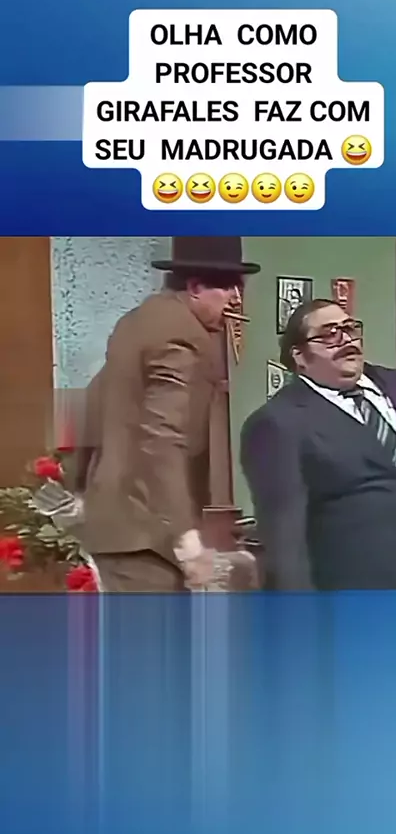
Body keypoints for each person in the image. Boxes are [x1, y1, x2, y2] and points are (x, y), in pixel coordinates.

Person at [240, 298, 396, 590]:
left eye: (349, 328)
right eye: (329, 334)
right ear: (300, 356)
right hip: (351, 590)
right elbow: (284, 536)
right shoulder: (278, 422)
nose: (346, 339)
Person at [77, 237, 260, 592]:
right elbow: (163, 437)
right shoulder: (181, 336)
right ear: (195, 287)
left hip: (120, 524)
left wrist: (81, 484)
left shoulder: (138, 321)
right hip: (146, 532)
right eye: (228, 288)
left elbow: (93, 401)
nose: (236, 299)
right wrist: (184, 536)